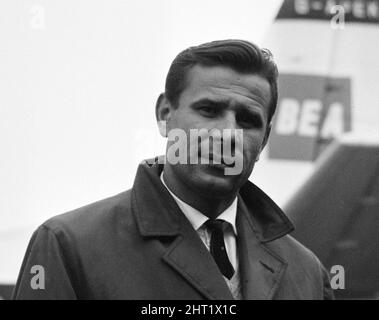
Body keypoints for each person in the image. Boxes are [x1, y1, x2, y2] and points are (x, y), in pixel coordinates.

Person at [13, 39, 334, 300]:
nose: (226, 135)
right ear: (165, 114)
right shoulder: (68, 246)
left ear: (264, 141)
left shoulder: (306, 273)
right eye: (208, 110)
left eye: (248, 121)